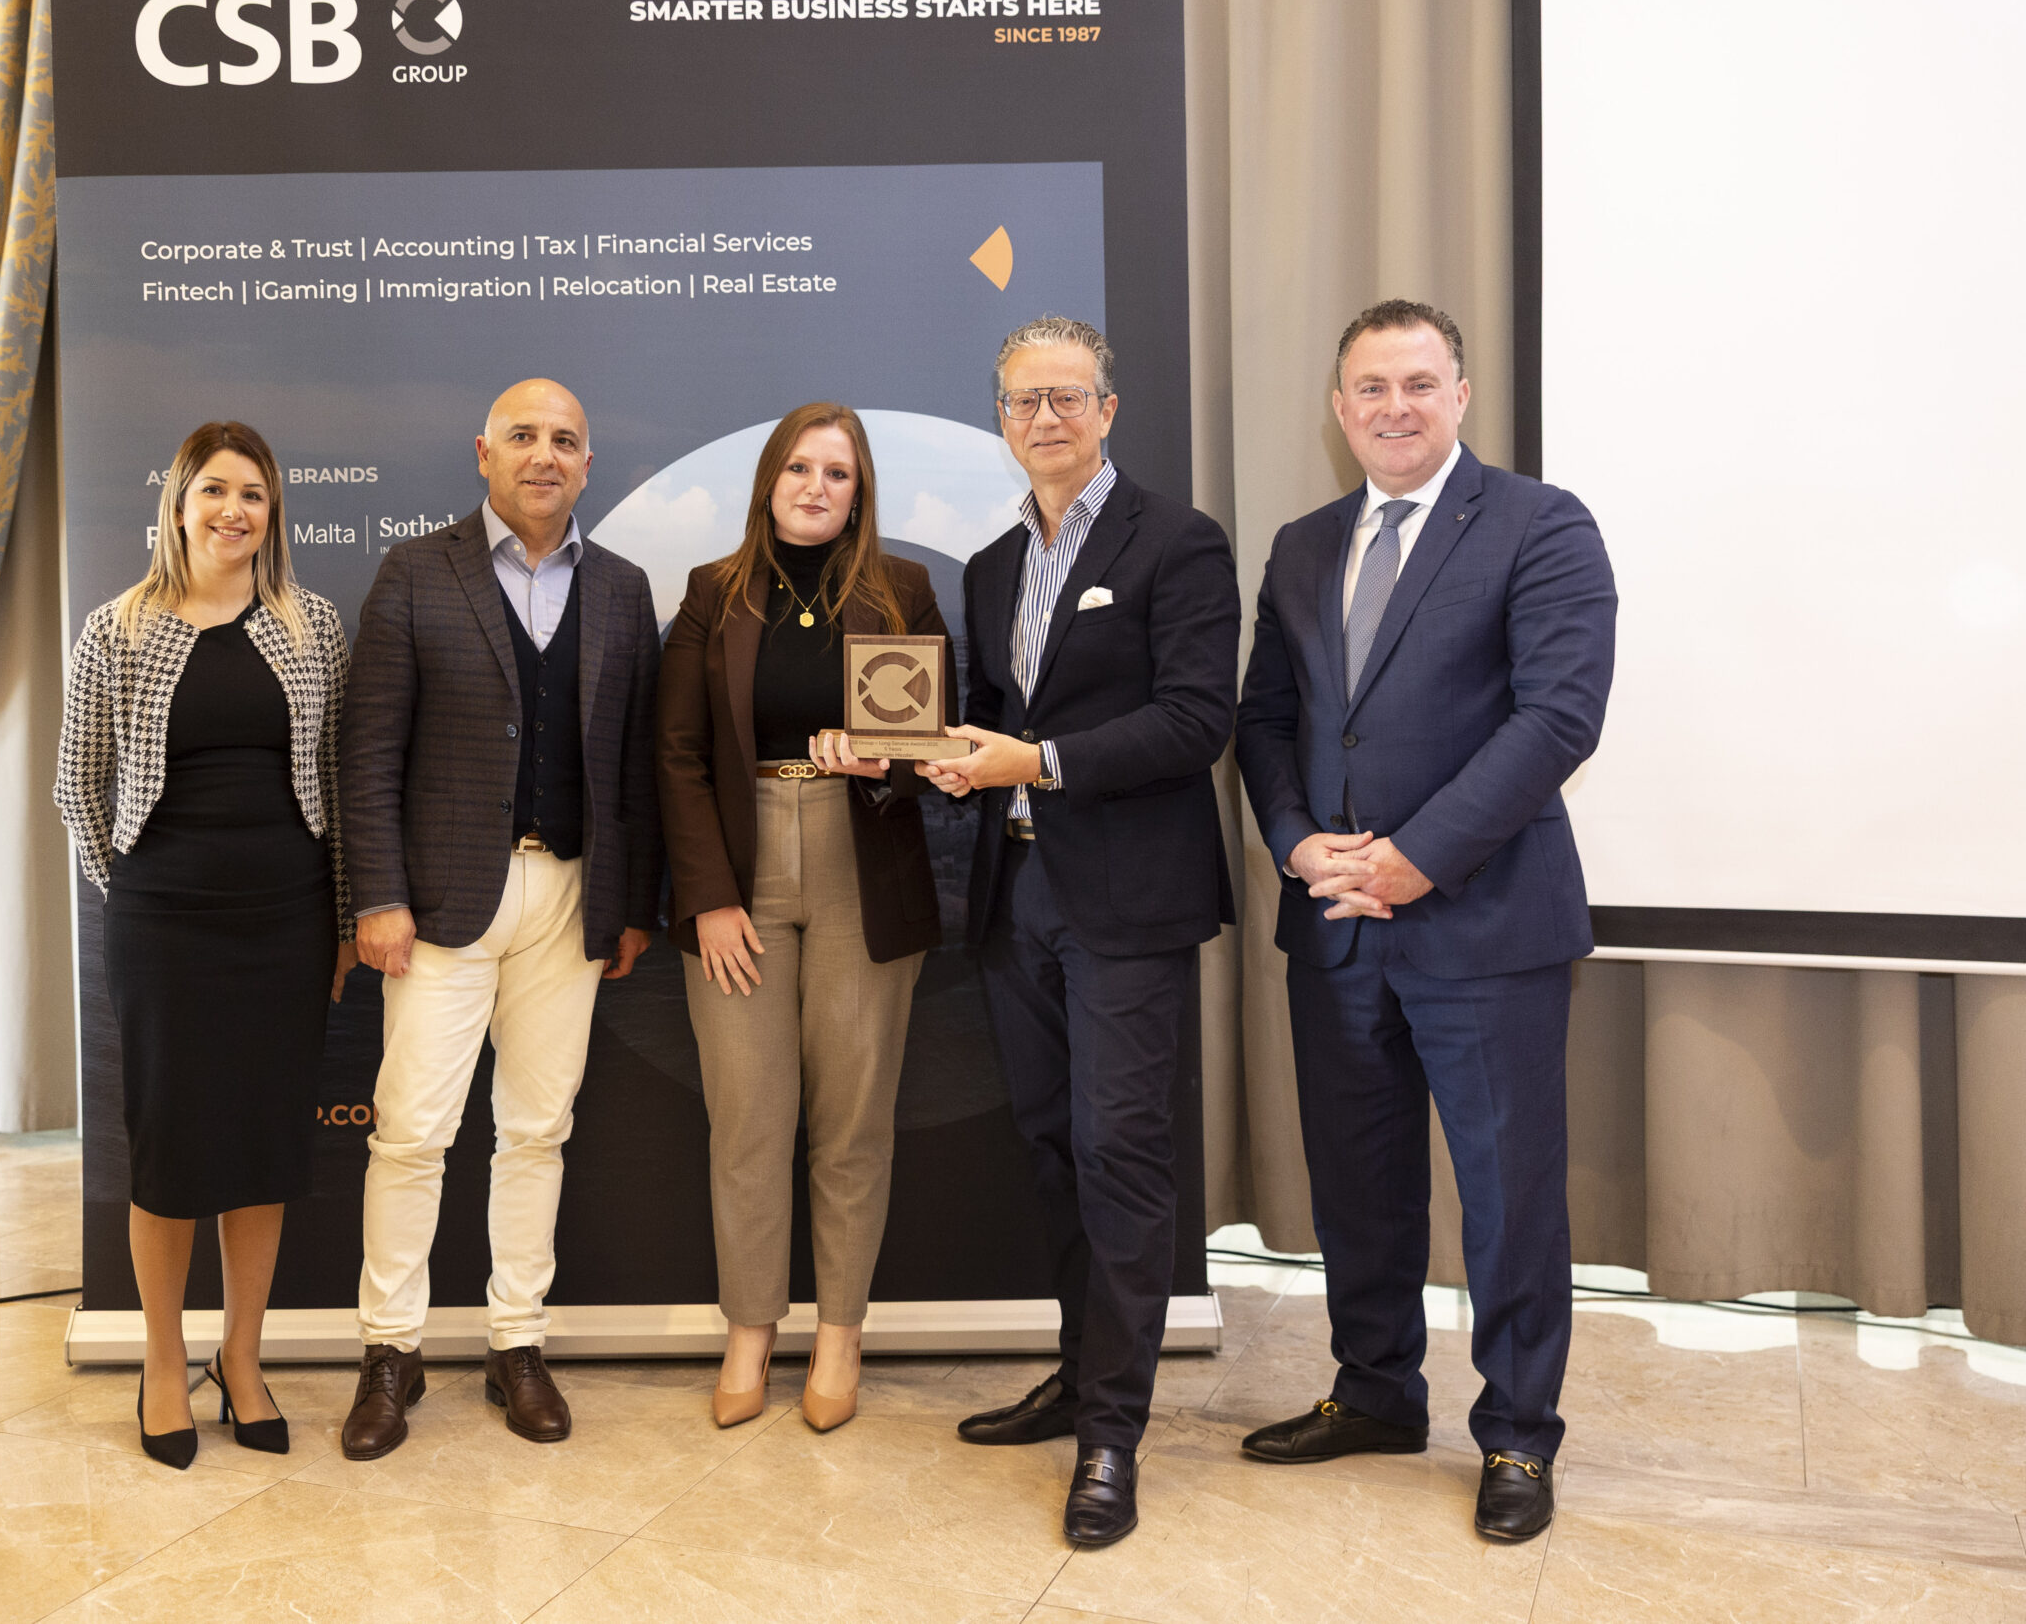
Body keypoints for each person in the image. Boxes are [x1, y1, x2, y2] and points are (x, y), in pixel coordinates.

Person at [1233, 299, 1615, 1542]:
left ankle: (1517, 1435)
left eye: (1416, 383)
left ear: (1459, 395)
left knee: (1509, 1196)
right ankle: (1375, 1393)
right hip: (1334, 921)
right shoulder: (1301, 545)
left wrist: (1417, 860)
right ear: (1338, 408)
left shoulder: (1539, 524)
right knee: (1358, 1186)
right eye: (1369, 387)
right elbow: (1266, 721)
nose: (1392, 407)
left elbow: (1557, 717)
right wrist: (1295, 841)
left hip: (1485, 925)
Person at [920, 317, 1240, 1546]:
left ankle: (1113, 1432)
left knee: (1120, 1156)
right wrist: (939, 756)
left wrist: (1038, 761)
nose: (1043, 418)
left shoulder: (1178, 541)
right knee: (1053, 1147)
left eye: (1065, 397)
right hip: (1018, 899)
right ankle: (1077, 1373)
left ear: (1107, 409)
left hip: (1128, 902)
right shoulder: (992, 565)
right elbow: (990, 716)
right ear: (999, 419)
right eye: (1022, 401)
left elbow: (1196, 720)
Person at [337, 378, 662, 1458]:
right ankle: (391, 1352)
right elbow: (369, 750)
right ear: (484, 453)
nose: (543, 454)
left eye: (564, 439)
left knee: (537, 1130)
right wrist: (377, 895)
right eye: (523, 435)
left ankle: (516, 1342)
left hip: (569, 900)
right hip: (439, 905)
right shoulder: (415, 572)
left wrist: (630, 907)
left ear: (587, 464)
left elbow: (635, 766)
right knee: (412, 1135)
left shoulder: (621, 589)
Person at [55, 420, 353, 1470]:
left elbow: (337, 782)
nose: (235, 511)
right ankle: (159, 1362)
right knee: (170, 1150)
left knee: (264, 1148)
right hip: (164, 926)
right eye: (216, 491)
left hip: (286, 922)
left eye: (254, 495)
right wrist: (136, 891)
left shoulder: (313, 625)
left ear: (273, 514)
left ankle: (242, 1358)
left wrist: (342, 921)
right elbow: (78, 787)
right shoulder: (117, 630)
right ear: (178, 505)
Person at [657, 403, 952, 1433]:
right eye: (798, 468)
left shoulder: (903, 589)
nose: (815, 487)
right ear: (768, 481)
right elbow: (677, 754)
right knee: (747, 1120)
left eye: (836, 472)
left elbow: (935, 747)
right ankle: (749, 1330)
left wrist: (885, 763)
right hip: (736, 877)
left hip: (860, 865)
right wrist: (708, 897)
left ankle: (838, 1333)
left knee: (852, 1124)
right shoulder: (713, 592)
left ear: (859, 491)